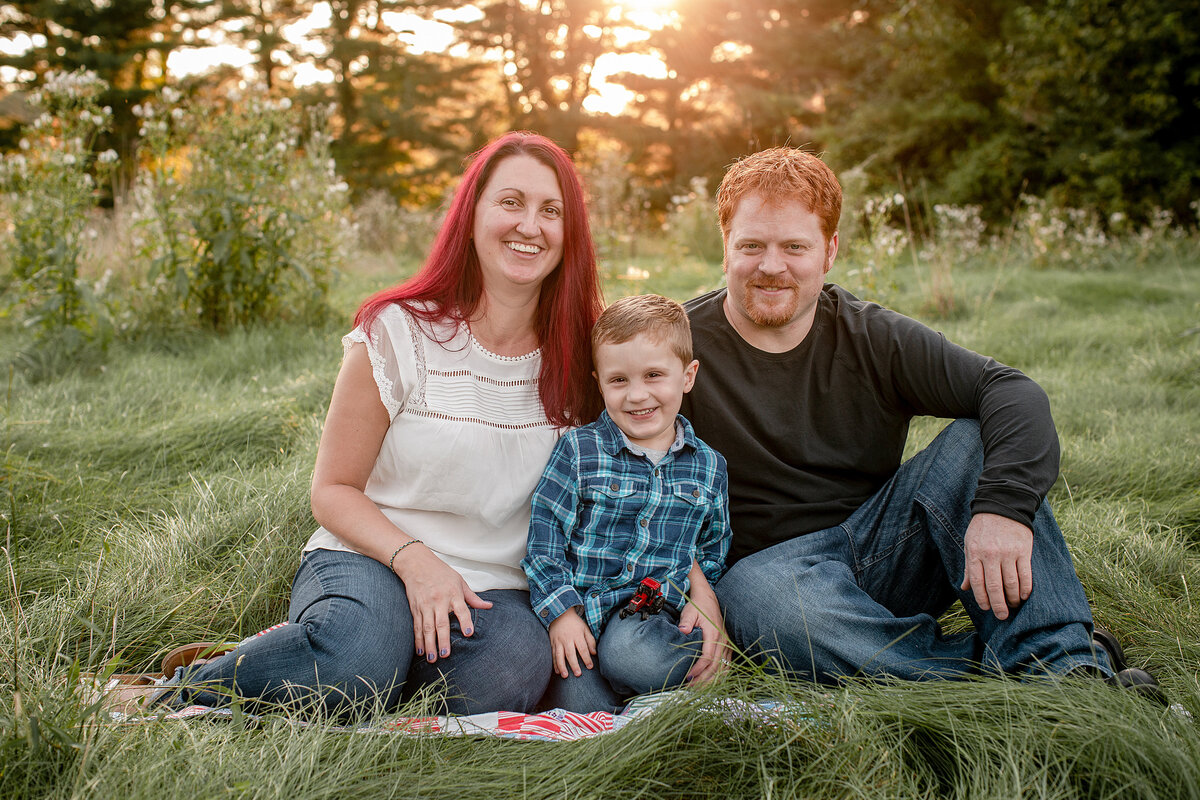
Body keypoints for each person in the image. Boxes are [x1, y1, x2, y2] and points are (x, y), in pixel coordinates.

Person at [126, 131, 606, 717]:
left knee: (509, 674)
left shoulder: (584, 358)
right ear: (472, 215)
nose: (530, 225)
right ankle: (180, 689)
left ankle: (300, 662)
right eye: (510, 202)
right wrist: (415, 561)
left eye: (550, 211)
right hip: (373, 554)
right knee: (356, 659)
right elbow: (332, 491)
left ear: (569, 233)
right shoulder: (399, 331)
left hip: (495, 589)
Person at [679, 146, 1161, 696]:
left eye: (794, 246)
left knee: (978, 440)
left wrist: (1002, 508)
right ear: (725, 248)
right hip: (771, 582)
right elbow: (626, 477)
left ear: (829, 250)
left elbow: (1012, 392)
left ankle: (1070, 673)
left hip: (885, 553)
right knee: (760, 599)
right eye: (751, 246)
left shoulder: (872, 338)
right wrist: (692, 580)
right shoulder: (677, 347)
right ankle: (1033, 676)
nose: (771, 265)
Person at [523, 294, 731, 713]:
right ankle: (658, 694)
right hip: (583, 617)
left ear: (688, 376)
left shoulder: (708, 466)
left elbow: (712, 547)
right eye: (619, 381)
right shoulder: (580, 451)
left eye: (654, 375)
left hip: (654, 621)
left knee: (635, 656)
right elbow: (544, 542)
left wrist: (697, 596)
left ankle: (684, 671)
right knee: (587, 714)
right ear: (599, 381)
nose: (637, 396)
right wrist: (561, 614)